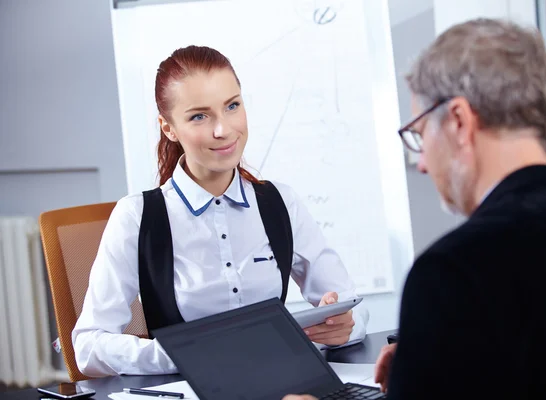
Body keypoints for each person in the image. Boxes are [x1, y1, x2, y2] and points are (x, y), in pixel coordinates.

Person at [284, 17, 546, 400]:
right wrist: (436, 356)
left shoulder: (451, 274)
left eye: (419, 133)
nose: (422, 163)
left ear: (458, 121)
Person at [72, 45, 368, 377]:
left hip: (282, 386)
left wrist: (344, 326)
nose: (222, 130)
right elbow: (89, 347)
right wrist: (185, 355)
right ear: (168, 128)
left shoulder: (280, 203)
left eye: (232, 106)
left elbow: (350, 305)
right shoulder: (136, 217)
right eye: (199, 116)